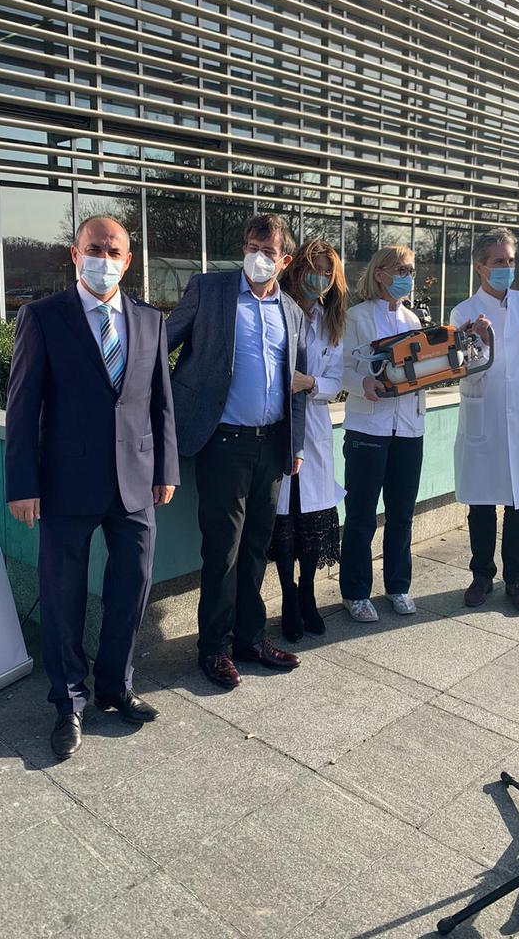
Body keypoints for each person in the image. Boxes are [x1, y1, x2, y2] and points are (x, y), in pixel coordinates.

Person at [5, 215, 179, 761]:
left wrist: (166, 469)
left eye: (114, 251)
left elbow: (160, 402)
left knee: (132, 587)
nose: (104, 258)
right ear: (75, 254)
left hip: (136, 481)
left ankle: (115, 686)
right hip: (65, 482)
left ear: (128, 261)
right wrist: (22, 484)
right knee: (63, 594)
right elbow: (22, 406)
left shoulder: (150, 320)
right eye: (94, 248)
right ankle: (69, 701)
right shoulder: (42, 317)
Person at [166, 214, 307, 689]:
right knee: (222, 550)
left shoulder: (293, 312)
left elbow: (297, 384)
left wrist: (296, 444)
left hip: (272, 444)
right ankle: (214, 648)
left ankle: (250, 639)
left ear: (285, 261)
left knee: (256, 549)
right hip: (222, 442)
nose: (257, 257)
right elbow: (159, 346)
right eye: (251, 246)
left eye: (268, 251)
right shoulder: (210, 291)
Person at [450, 227, 519, 615]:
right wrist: (477, 341)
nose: (507, 268)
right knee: (481, 504)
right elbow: (463, 371)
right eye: (499, 261)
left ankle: (517, 578)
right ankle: (481, 575)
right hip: (484, 417)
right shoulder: (463, 312)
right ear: (480, 267)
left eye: (511, 261)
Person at [339, 245, 425, 623]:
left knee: (402, 513)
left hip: (408, 428)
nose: (407, 276)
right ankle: (355, 592)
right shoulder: (356, 317)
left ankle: (398, 585)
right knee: (361, 515)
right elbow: (340, 367)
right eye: (400, 270)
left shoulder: (413, 319)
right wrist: (362, 384)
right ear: (380, 273)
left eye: (410, 270)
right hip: (368, 427)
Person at [267, 239, 347, 642]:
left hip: (313, 429)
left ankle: (309, 593)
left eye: (327, 273)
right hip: (278, 425)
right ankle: (287, 596)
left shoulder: (331, 323)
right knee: (284, 523)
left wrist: (310, 383)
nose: (320, 278)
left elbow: (337, 380)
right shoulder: (278, 308)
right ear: (297, 269)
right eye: (314, 269)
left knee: (313, 522)